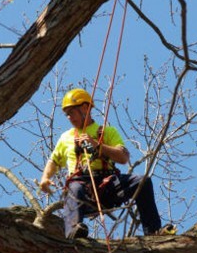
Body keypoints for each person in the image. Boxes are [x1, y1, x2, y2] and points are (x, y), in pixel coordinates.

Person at [40, 88, 165, 239]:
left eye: (71, 112)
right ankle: (73, 232)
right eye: (66, 114)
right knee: (74, 188)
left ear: (85, 108)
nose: (69, 117)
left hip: (107, 186)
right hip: (81, 188)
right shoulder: (66, 137)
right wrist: (45, 178)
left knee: (142, 182)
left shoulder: (107, 132)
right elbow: (53, 161)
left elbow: (123, 157)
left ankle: (153, 232)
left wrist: (97, 145)